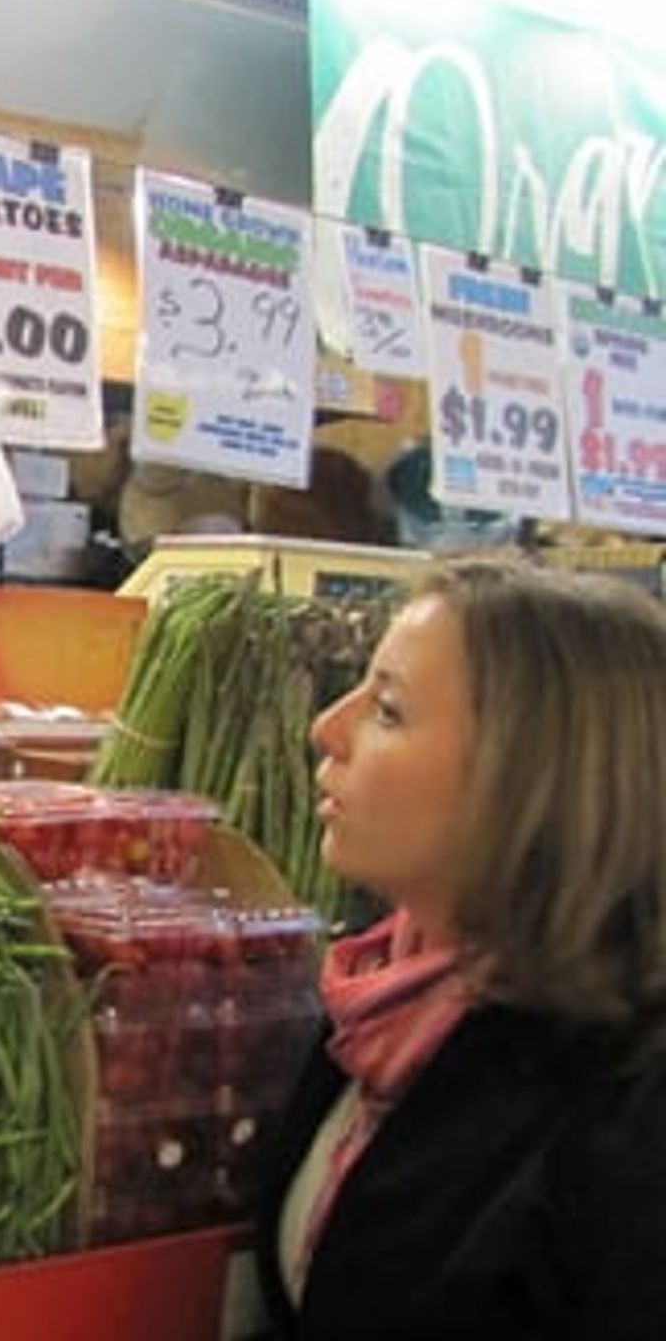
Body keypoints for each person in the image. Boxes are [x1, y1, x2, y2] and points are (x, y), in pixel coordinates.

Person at [257, 557, 666, 1339]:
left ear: (531, 776)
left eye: (387, 711)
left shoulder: (631, 1112)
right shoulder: (380, 1003)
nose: (327, 729)